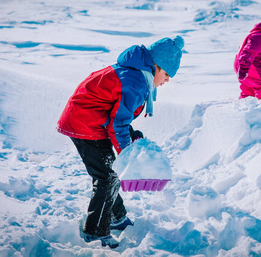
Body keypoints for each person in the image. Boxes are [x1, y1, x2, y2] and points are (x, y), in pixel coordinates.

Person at [56, 36, 184, 248]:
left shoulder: (134, 73)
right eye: (167, 74)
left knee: (109, 174)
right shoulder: (136, 81)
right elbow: (117, 125)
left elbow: (117, 114)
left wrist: (131, 136)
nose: (167, 80)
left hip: (89, 119)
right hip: (85, 123)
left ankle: (117, 217)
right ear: (157, 66)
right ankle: (95, 231)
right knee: (107, 177)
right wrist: (127, 155)